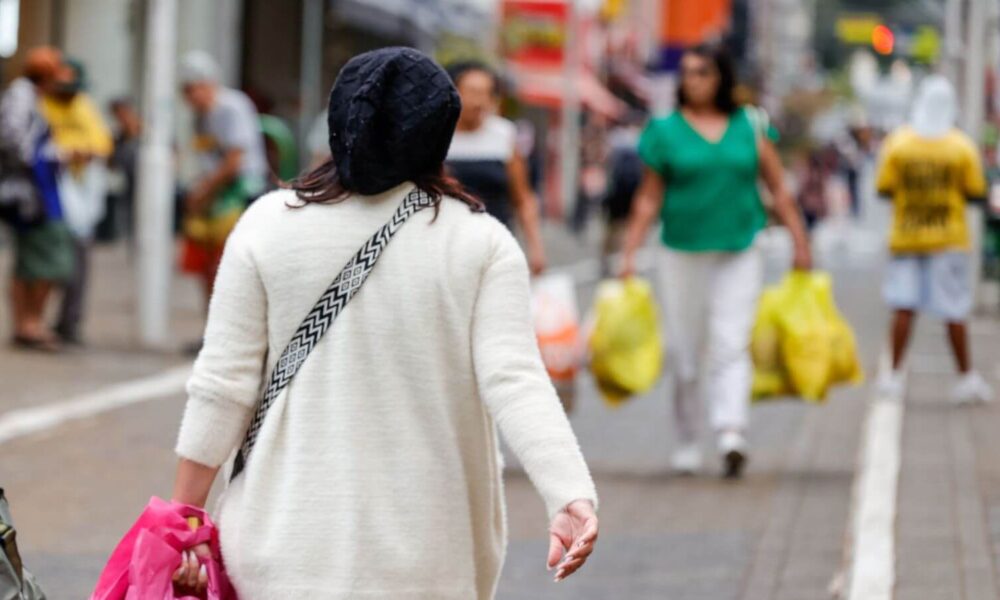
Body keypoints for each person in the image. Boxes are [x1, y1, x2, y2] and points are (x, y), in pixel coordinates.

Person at [169, 48, 598, 599]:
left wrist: (184, 520)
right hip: (425, 555)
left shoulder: (267, 226)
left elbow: (222, 386)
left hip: (279, 546)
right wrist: (569, 493)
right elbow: (515, 379)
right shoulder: (479, 242)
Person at [620, 43, 812, 478]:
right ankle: (688, 438)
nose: (694, 80)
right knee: (684, 352)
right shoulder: (664, 130)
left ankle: (731, 432)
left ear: (722, 76)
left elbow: (778, 188)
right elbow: (649, 197)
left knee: (731, 340)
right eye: (687, 73)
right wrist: (629, 253)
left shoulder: (751, 124)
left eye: (703, 72)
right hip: (680, 250)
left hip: (740, 247)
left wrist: (801, 241)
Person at [875, 75, 994, 404]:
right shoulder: (960, 146)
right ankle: (966, 377)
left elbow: (884, 188)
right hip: (948, 238)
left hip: (906, 236)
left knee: (904, 306)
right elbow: (975, 193)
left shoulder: (899, 143)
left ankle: (892, 377)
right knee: (954, 310)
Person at [178, 51, 268, 308]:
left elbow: (234, 161)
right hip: (215, 196)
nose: (189, 97)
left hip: (241, 193)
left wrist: (204, 191)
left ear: (207, 84)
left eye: (192, 89)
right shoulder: (199, 117)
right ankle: (212, 328)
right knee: (206, 266)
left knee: (231, 266)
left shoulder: (231, 107)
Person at [0, 47, 75, 351]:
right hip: (31, 193)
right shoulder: (22, 95)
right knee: (49, 259)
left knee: (29, 260)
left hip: (35, 191)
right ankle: (29, 323)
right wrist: (51, 155)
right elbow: (14, 141)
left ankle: (28, 324)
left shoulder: (31, 96)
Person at [445, 61, 547, 274]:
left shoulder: (504, 135)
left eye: (485, 93)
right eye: (472, 91)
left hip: (495, 244)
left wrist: (536, 247)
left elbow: (522, 197)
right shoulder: (438, 136)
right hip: (446, 246)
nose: (478, 100)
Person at [40, 59, 113, 345]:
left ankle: (69, 322)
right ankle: (37, 322)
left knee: (78, 262)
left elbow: (103, 143)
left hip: (79, 195)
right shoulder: (43, 105)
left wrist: (80, 152)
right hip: (48, 195)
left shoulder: (82, 105)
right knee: (47, 263)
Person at [601, 110, 645, 276]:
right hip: (632, 193)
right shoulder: (640, 140)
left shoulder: (615, 140)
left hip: (615, 193)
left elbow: (607, 164)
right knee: (627, 227)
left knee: (611, 228)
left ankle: (607, 259)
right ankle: (623, 260)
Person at [100, 97, 142, 242]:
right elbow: (110, 164)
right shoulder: (118, 138)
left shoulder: (148, 132)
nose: (121, 118)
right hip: (129, 186)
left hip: (149, 186)